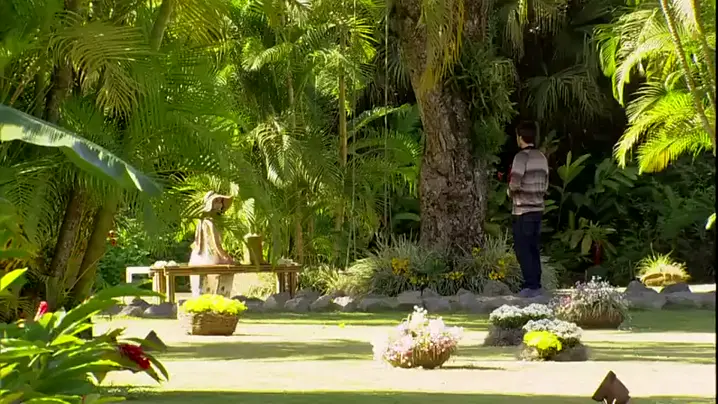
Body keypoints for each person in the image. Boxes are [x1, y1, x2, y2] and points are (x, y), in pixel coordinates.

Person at [507, 121, 549, 298]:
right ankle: (536, 284)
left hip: (522, 210)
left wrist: (509, 192)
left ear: (520, 137)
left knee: (523, 248)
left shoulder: (521, 158)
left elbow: (514, 183)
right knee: (533, 247)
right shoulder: (541, 157)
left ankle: (530, 286)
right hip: (538, 209)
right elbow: (545, 184)